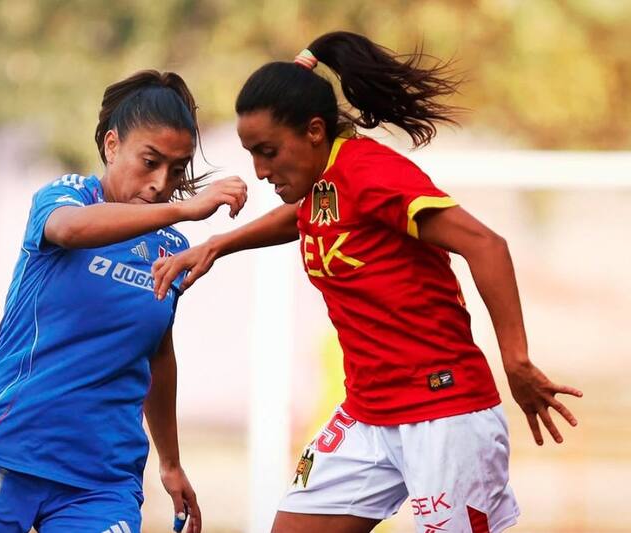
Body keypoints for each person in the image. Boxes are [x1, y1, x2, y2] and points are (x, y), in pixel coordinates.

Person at [152, 32, 582, 533]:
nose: (261, 170)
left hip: (442, 414)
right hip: (368, 413)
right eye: (252, 154)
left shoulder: (370, 172)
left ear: (315, 131)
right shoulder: (325, 182)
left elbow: (487, 245)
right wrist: (217, 244)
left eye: (268, 151)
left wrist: (516, 360)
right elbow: (302, 217)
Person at [0, 70, 247, 533]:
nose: (162, 182)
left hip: (100, 481)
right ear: (112, 145)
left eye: (177, 170)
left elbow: (157, 350)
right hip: (5, 450)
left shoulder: (169, 249)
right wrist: (185, 206)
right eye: (150, 161)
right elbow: (69, 230)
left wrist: (170, 463)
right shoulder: (67, 198)